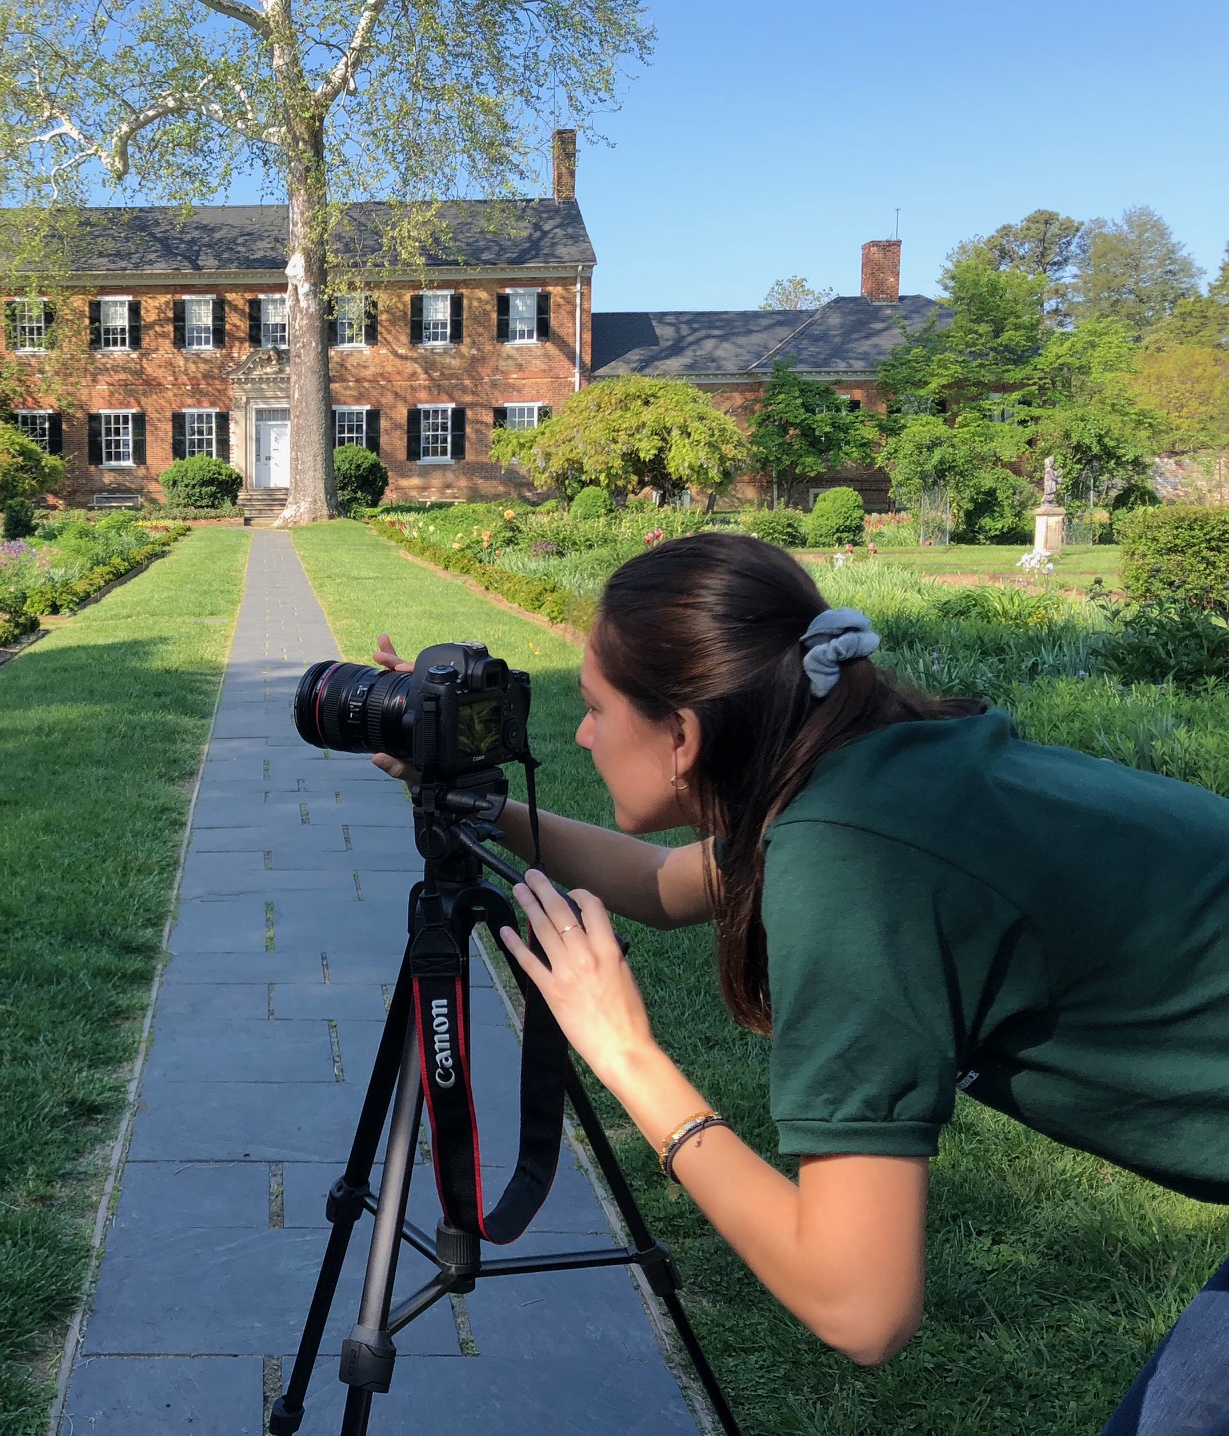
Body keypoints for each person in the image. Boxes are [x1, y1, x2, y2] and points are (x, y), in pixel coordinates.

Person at [371, 534, 1229, 1435]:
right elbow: (665, 888)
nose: (581, 733)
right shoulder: (864, 767)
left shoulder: (856, 876)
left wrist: (625, 1053)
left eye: (593, 707)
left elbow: (861, 1307)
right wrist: (476, 804)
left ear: (685, 736)